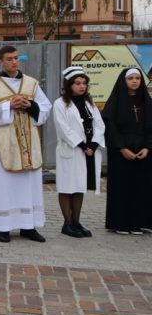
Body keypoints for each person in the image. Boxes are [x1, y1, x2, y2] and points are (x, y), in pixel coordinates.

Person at [0, 45, 52, 243]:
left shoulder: (31, 84)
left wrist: (31, 105)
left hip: (28, 140)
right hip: (2, 141)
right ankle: (3, 227)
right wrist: (8, 106)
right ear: (0, 61)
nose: (14, 62)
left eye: (16, 58)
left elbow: (46, 108)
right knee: (3, 184)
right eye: (9, 59)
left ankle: (28, 226)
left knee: (29, 183)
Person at [53, 67, 105, 239]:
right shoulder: (60, 103)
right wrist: (82, 145)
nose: (81, 86)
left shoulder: (89, 103)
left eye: (84, 83)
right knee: (67, 187)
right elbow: (63, 129)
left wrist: (94, 144)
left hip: (89, 150)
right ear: (69, 85)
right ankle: (67, 223)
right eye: (77, 83)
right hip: (72, 149)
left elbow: (99, 124)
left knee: (79, 186)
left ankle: (76, 222)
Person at [102, 68, 152, 234]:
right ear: (123, 81)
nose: (134, 81)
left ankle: (141, 222)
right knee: (122, 188)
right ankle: (121, 223)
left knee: (142, 187)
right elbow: (110, 127)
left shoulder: (146, 101)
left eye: (138, 78)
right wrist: (122, 148)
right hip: (121, 151)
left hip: (143, 151)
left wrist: (147, 147)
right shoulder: (115, 101)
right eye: (130, 78)